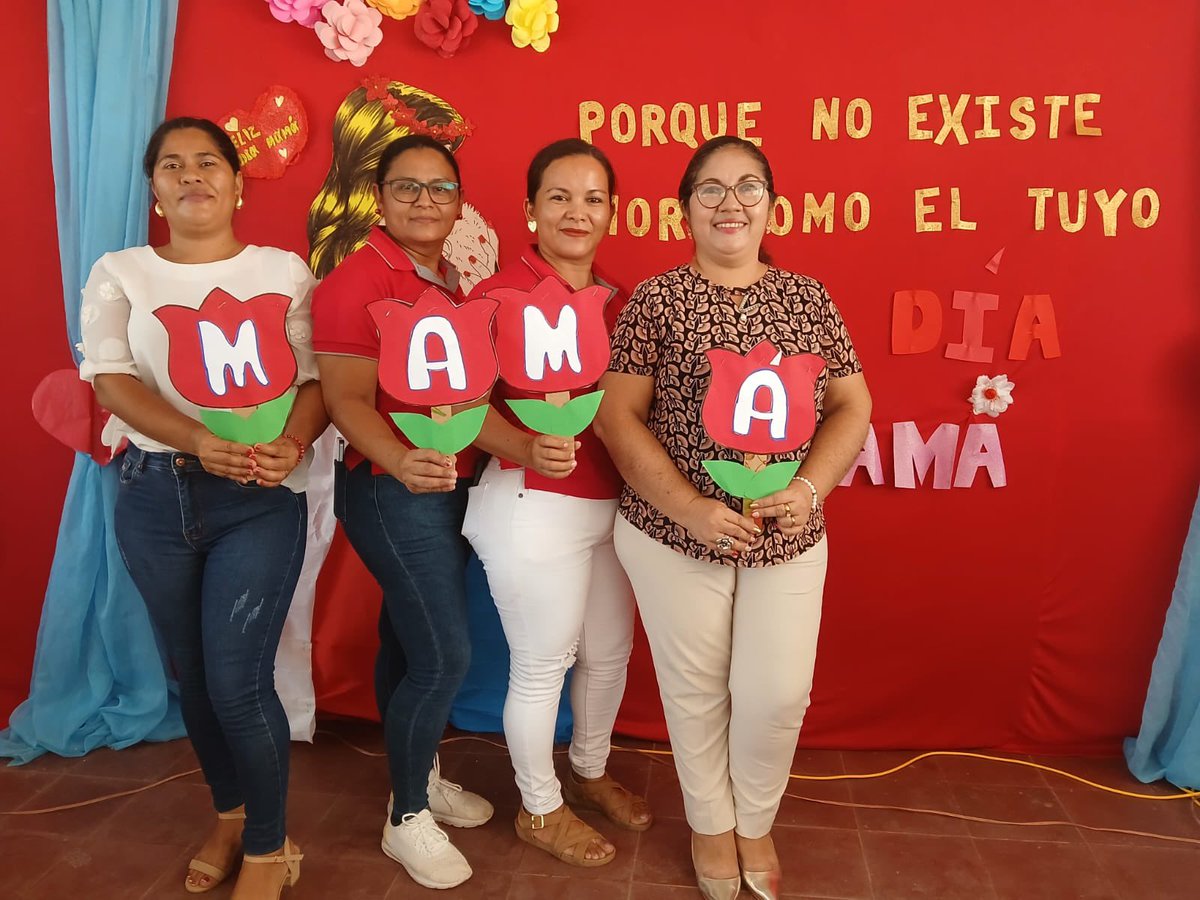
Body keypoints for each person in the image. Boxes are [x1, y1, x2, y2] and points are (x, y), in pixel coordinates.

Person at [595, 136, 872, 900]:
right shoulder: (655, 300)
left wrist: (810, 488)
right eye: (710, 188)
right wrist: (690, 508)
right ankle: (713, 825)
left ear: (772, 207)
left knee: (776, 695)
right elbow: (616, 417)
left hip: (789, 539)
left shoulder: (809, 299)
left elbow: (853, 404)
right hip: (673, 535)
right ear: (684, 209)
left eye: (748, 186)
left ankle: (756, 817)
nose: (730, 202)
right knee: (697, 691)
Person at [81, 117, 327, 899]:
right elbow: (112, 381)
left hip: (257, 497)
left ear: (238, 183)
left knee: (237, 683)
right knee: (191, 676)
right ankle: (230, 814)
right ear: (154, 190)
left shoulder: (282, 270)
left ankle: (267, 848)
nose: (192, 176)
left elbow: (316, 382)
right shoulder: (120, 272)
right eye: (173, 165)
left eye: (209, 163)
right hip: (154, 496)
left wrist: (292, 442)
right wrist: (195, 438)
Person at [463, 139, 653, 867]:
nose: (578, 212)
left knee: (609, 654)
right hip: (531, 504)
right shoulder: (494, 297)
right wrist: (520, 444)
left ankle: (588, 773)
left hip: (613, 509)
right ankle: (538, 808)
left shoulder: (619, 301)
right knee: (544, 664)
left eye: (593, 199)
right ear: (530, 210)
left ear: (612, 212)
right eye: (560, 197)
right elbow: (451, 404)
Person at [312, 133, 494, 891]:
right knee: (444, 656)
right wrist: (398, 459)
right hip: (392, 489)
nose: (425, 200)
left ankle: (416, 777)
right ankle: (407, 817)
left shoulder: (450, 278)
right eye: (407, 187)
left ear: (459, 202)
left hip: (449, 486)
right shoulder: (355, 281)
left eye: (440, 187)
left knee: (406, 637)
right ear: (379, 199)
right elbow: (345, 399)